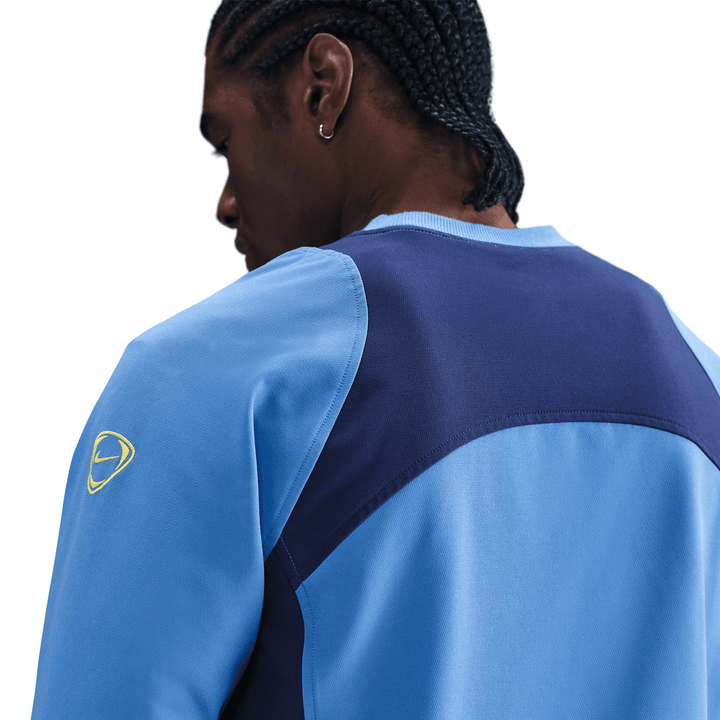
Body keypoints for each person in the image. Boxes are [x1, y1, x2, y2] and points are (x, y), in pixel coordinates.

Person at [31, 1, 720, 718]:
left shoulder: (212, 372)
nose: (227, 202)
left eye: (226, 141)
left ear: (323, 86)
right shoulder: (696, 379)